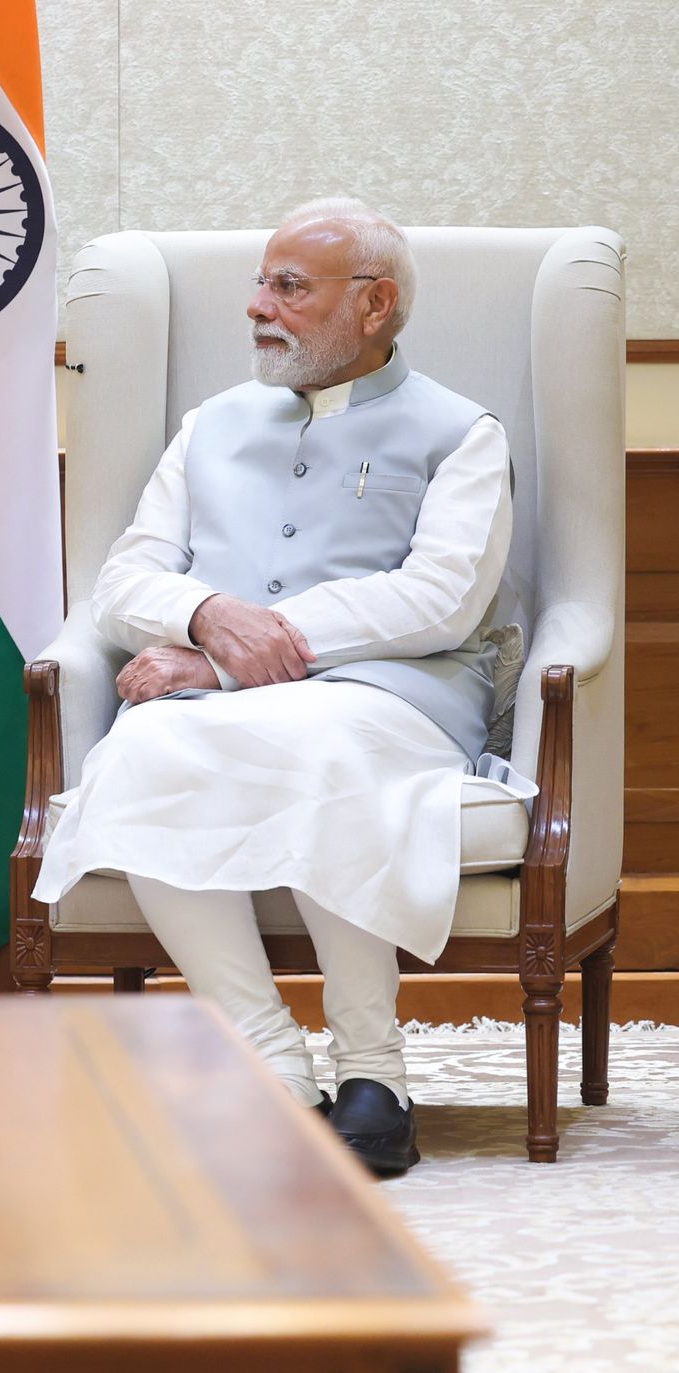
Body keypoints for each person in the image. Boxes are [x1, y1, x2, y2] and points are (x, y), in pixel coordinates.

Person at [32, 197, 529, 1176]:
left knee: (319, 742)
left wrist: (230, 654)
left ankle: (372, 1071)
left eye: (287, 287)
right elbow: (123, 581)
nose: (257, 306)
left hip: (395, 696)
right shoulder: (209, 426)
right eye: (258, 284)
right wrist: (206, 613)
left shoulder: (459, 433)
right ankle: (265, 1057)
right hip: (217, 700)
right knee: (135, 748)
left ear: (373, 304)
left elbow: (437, 597)